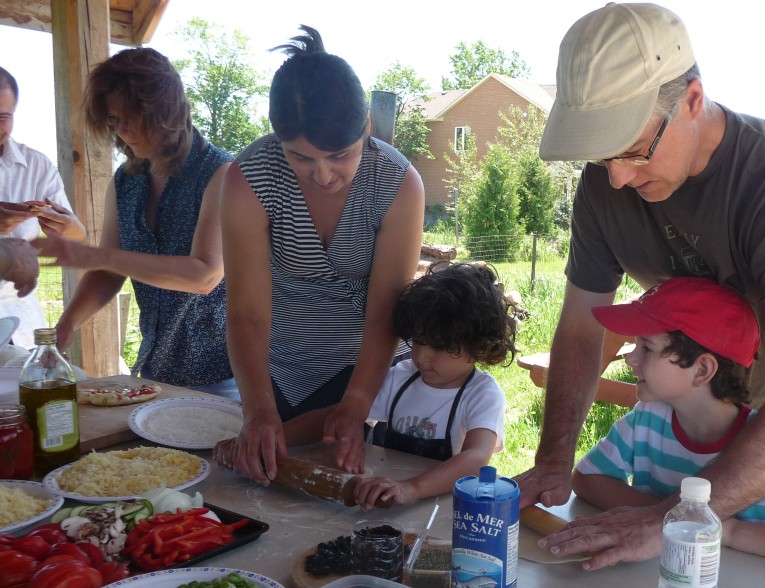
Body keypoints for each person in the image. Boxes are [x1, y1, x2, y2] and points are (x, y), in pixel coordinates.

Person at [519, 3, 765, 570]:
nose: (617, 178)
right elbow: (583, 329)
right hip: (685, 405)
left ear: (691, 101)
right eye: (601, 154)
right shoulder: (604, 184)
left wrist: (671, 521)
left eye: (633, 149)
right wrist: (555, 458)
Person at [218, 26, 424, 484]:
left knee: (364, 497)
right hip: (280, 371)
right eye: (300, 158)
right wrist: (258, 412)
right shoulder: (247, 179)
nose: (323, 174)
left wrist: (356, 403)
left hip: (373, 372)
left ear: (366, 126)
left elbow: (385, 313)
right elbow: (247, 313)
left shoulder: (397, 183)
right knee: (267, 487)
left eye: (340, 155)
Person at [572, 277, 765, 574]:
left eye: (646, 347)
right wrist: (661, 519)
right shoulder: (647, 419)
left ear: (702, 369)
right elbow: (587, 478)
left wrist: (721, 530)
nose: (629, 358)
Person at [32, 49, 236, 398]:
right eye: (114, 120)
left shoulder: (222, 172)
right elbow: (109, 272)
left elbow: (203, 275)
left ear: (166, 111)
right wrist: (61, 334)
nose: (124, 132)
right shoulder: (127, 180)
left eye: (133, 118)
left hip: (227, 378)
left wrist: (100, 257)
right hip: (156, 372)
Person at [255, 261, 517, 510]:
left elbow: (475, 459)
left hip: (443, 509)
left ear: (478, 346)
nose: (422, 356)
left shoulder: (482, 394)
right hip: (387, 500)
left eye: (438, 346)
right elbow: (334, 417)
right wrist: (268, 441)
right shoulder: (401, 377)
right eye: (417, 341)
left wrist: (412, 488)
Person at [0, 66, 86, 347]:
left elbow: (76, 241)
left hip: (21, 321)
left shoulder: (36, 166)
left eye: (3, 117)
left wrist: (72, 229)